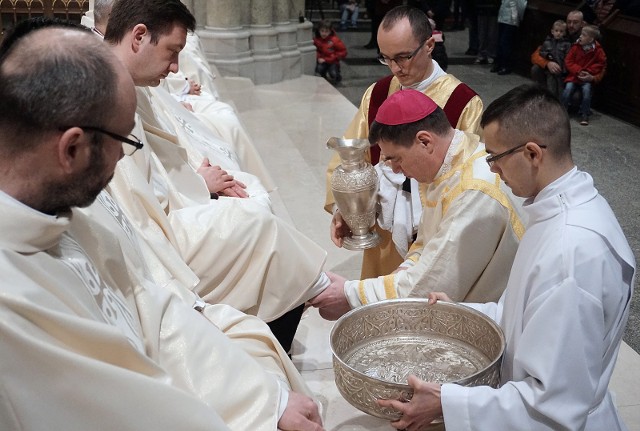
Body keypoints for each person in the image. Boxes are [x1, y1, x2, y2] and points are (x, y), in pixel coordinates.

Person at [0, 22, 325, 431]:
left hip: (166, 361)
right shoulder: (12, 303)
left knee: (254, 345)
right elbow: (122, 410)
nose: (123, 158)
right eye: (123, 140)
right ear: (71, 148)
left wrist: (266, 398)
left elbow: (145, 299)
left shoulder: (64, 206)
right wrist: (261, 412)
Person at [377, 84, 635, 431]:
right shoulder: (562, 210)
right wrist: (463, 313)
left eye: (495, 157)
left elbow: (553, 406)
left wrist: (447, 402)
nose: (493, 170)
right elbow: (527, 315)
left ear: (532, 153)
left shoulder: (571, 250)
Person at [102, 0, 331, 353]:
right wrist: (198, 187)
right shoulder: (107, 95)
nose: (176, 66)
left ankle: (299, 303)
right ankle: (296, 315)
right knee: (259, 226)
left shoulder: (126, 80)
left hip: (165, 212)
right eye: (171, 52)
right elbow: (133, 207)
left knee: (249, 202)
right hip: (150, 240)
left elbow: (157, 164)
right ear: (139, 37)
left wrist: (197, 182)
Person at [311, 89, 525, 320]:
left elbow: (432, 285)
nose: (393, 169)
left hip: (494, 320)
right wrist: (404, 270)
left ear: (425, 141)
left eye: (395, 158)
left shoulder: (474, 190)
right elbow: (426, 243)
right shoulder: (449, 168)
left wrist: (350, 294)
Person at [324, 5, 484, 279]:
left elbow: (468, 178)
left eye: (403, 57)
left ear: (430, 45)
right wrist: (347, 208)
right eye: (385, 58)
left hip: (433, 237)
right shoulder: (377, 93)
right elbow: (350, 157)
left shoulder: (463, 103)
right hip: (382, 238)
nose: (396, 68)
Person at [561, 24, 607, 126]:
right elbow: (568, 61)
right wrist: (578, 70)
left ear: (591, 39)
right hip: (574, 75)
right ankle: (563, 111)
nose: (580, 37)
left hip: (587, 77)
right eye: (581, 34)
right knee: (568, 89)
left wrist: (588, 72)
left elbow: (600, 64)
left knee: (587, 92)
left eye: (584, 35)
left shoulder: (598, 51)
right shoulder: (575, 47)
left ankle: (584, 113)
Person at [531, 10, 589, 85]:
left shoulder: (588, 38)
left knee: (576, 96)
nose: (571, 25)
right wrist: (547, 63)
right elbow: (535, 55)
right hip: (555, 69)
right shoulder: (559, 32)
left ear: (582, 24)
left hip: (573, 74)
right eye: (569, 22)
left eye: (575, 22)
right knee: (536, 69)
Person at [491, 0, 527, 75]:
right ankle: (499, 63)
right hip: (502, 16)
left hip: (511, 18)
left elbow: (521, 5)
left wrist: (520, 17)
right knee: (500, 42)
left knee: (505, 43)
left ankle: (506, 65)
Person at [537, 20, 572, 97]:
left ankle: (560, 104)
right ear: (552, 31)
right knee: (551, 88)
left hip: (561, 72)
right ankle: (550, 102)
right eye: (556, 31)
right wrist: (547, 55)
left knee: (561, 89)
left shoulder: (567, 44)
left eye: (561, 31)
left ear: (565, 33)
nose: (558, 33)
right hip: (550, 71)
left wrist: (565, 71)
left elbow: (568, 58)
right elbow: (541, 52)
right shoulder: (547, 42)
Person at [313, 19, 347, 85]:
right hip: (322, 60)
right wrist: (319, 57)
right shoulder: (316, 40)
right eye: (322, 31)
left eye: (326, 31)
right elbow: (315, 50)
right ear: (319, 31)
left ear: (330, 31)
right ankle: (323, 76)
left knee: (333, 73)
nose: (324, 33)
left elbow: (343, 51)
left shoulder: (334, 40)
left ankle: (337, 77)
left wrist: (333, 57)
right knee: (319, 69)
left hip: (333, 61)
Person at [473, 0, 499, 64]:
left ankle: (490, 54)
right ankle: (482, 54)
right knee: (482, 34)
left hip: (493, 9)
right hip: (482, 8)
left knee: (492, 34)